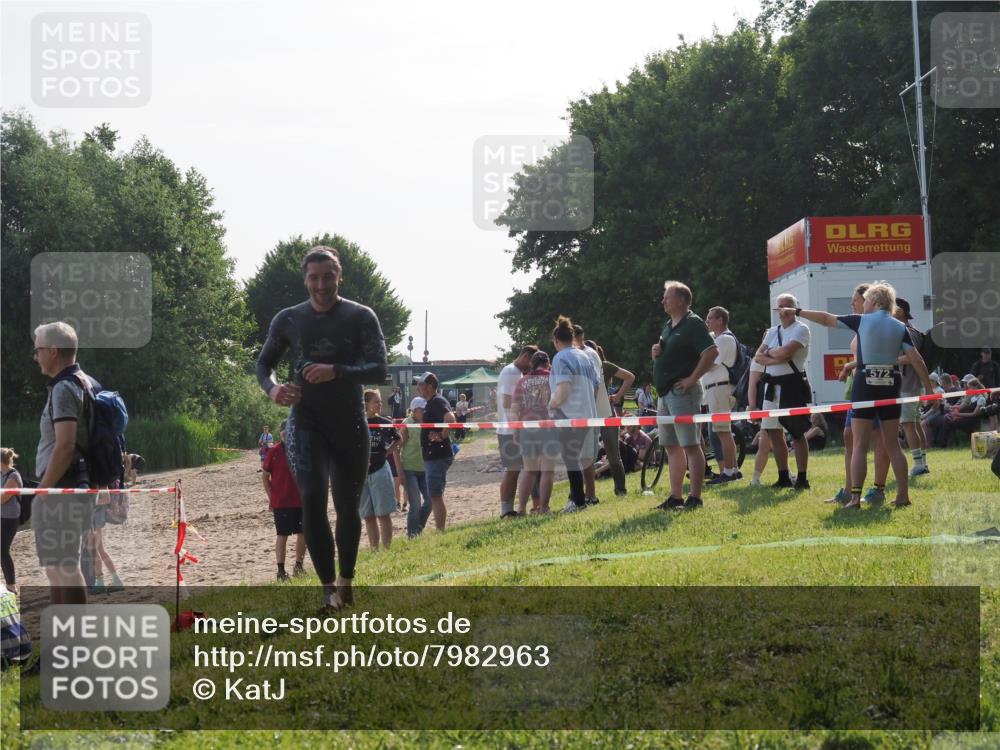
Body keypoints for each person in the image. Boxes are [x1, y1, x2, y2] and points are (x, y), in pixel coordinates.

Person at [256, 245, 388, 611]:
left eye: (328, 277)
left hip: (349, 422)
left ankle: (346, 580)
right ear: (305, 280)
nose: (321, 285)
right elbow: (264, 365)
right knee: (311, 499)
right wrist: (273, 389)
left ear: (339, 277)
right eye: (314, 278)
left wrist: (337, 371)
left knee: (347, 505)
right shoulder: (288, 319)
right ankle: (327, 590)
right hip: (306, 422)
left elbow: (380, 369)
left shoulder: (360, 316)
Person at [796, 281, 934, 509]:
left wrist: (799, 312)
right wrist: (929, 389)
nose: (864, 303)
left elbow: (826, 319)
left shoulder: (861, 320)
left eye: (867, 299)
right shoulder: (900, 327)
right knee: (893, 444)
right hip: (891, 382)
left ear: (876, 301)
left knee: (859, 444)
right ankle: (902, 496)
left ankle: (854, 498)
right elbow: (916, 359)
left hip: (865, 382)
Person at [32, 321, 100, 605]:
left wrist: (43, 489)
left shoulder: (64, 387)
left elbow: (65, 446)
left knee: (65, 567)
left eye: (38, 350)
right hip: (72, 484)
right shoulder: (85, 381)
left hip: (62, 486)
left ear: (53, 351)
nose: (35, 356)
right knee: (56, 566)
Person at [754, 294, 812, 490]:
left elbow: (786, 352)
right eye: (781, 307)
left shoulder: (801, 329)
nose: (784, 310)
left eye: (788, 306)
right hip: (771, 386)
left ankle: (802, 478)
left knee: (797, 432)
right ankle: (783, 476)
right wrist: (776, 355)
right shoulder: (772, 331)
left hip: (792, 385)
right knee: (773, 431)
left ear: (795, 308)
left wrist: (771, 353)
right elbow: (758, 357)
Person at [549, 317, 600, 512]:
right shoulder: (585, 356)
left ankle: (577, 501)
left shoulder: (560, 358)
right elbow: (595, 386)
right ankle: (577, 499)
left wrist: (552, 404)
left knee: (570, 458)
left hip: (569, 415)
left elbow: (564, 389)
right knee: (575, 458)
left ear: (556, 340)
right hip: (587, 414)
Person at [511, 350, 557, 514]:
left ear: (532, 363)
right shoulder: (552, 378)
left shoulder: (522, 381)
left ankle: (521, 508)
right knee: (547, 470)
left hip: (527, 428)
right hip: (548, 426)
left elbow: (514, 409)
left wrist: (515, 431)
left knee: (529, 470)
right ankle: (543, 507)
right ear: (547, 363)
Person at [588, 339, 636, 496]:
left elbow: (630, 377)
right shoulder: (581, 368)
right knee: (586, 457)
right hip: (589, 416)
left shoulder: (605, 366)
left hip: (607, 415)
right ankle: (587, 494)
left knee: (614, 456)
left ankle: (620, 490)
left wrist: (618, 396)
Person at [497, 346, 540, 517]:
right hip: (509, 429)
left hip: (515, 428)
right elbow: (507, 402)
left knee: (522, 469)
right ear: (526, 357)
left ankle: (513, 508)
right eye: (531, 362)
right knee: (512, 471)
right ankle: (506, 510)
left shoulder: (517, 373)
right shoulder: (511, 372)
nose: (532, 367)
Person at [262, 421, 306, 580]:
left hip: (301, 501)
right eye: (283, 430)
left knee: (303, 533)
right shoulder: (274, 451)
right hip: (281, 502)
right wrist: (271, 497)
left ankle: (299, 566)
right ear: (280, 433)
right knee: (282, 535)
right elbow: (265, 477)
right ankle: (281, 571)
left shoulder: (303, 449)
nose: (286, 433)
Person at [703, 306, 741, 483]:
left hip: (720, 388)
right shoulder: (722, 338)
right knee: (724, 431)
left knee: (723, 432)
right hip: (719, 388)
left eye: (710, 318)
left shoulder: (724, 339)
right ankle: (733, 469)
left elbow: (709, 363)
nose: (707, 321)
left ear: (720, 320)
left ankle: (728, 471)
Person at [893, 298, 930, 477]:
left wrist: (891, 360)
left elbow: (912, 358)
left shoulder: (907, 331)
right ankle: (922, 463)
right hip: (913, 384)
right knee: (915, 424)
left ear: (900, 311)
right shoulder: (912, 329)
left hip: (908, 385)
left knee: (908, 424)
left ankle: (918, 464)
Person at [361, 389, 401, 550]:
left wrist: (387, 452)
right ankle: (374, 550)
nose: (379, 404)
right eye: (376, 401)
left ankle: (386, 549)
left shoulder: (384, 422)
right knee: (367, 515)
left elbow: (398, 439)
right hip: (361, 474)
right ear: (366, 404)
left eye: (380, 401)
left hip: (379, 470)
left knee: (383, 514)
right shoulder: (357, 422)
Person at [415, 372, 456, 530]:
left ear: (430, 387)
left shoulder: (437, 401)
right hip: (434, 455)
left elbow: (450, 418)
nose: (418, 388)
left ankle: (440, 531)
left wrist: (442, 435)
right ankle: (440, 530)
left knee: (435, 496)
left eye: (420, 385)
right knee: (435, 495)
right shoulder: (432, 402)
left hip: (437, 456)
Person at [400, 397, 432, 538]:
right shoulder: (407, 424)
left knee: (430, 500)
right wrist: (399, 471)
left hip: (425, 468)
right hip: (409, 468)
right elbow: (396, 448)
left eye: (425, 409)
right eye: (422, 409)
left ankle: (419, 527)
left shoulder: (427, 423)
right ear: (414, 410)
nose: (425, 412)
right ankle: (412, 535)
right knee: (415, 504)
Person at [932, 375, 990, 447]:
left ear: (976, 388)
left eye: (970, 388)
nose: (968, 389)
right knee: (947, 419)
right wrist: (952, 408)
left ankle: (942, 444)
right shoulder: (973, 398)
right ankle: (942, 443)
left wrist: (958, 414)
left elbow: (974, 414)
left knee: (947, 421)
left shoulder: (981, 399)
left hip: (972, 420)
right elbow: (962, 407)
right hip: (966, 418)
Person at [1, 449, 22, 594]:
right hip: (1, 516)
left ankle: (11, 586)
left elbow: (2, 499)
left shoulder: (13, 476)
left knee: (2, 550)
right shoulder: (2, 474)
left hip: (9, 518)